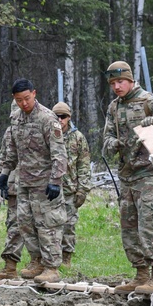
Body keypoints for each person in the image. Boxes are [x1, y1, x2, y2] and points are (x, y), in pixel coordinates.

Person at [102, 61, 153, 294]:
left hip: (148, 174)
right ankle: (140, 274)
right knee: (129, 227)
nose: (117, 87)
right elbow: (106, 136)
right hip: (126, 174)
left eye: (121, 82)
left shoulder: (151, 101)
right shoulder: (114, 107)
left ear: (130, 80)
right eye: (113, 83)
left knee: (149, 225)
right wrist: (111, 143)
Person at [0, 78, 68, 284]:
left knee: (47, 224)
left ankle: (51, 266)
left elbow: (59, 154)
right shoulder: (16, 119)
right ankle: (36, 261)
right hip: (24, 182)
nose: (24, 103)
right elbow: (12, 151)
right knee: (25, 223)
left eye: (27, 98)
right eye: (19, 100)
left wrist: (55, 180)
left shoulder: (47, 119)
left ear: (34, 94)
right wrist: (4, 173)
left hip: (45, 183)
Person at [52, 102, 91, 266]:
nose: (60, 120)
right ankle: (50, 257)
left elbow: (84, 164)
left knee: (68, 225)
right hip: (50, 189)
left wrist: (83, 190)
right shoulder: (48, 134)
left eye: (63, 117)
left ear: (69, 118)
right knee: (50, 225)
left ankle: (66, 257)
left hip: (69, 189)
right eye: (57, 117)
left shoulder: (78, 138)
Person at [0, 122, 25, 280]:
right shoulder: (10, 130)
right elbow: (4, 157)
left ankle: (41, 265)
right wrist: (1, 179)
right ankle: (10, 267)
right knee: (14, 226)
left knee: (39, 226)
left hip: (36, 184)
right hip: (14, 185)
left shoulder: (42, 124)